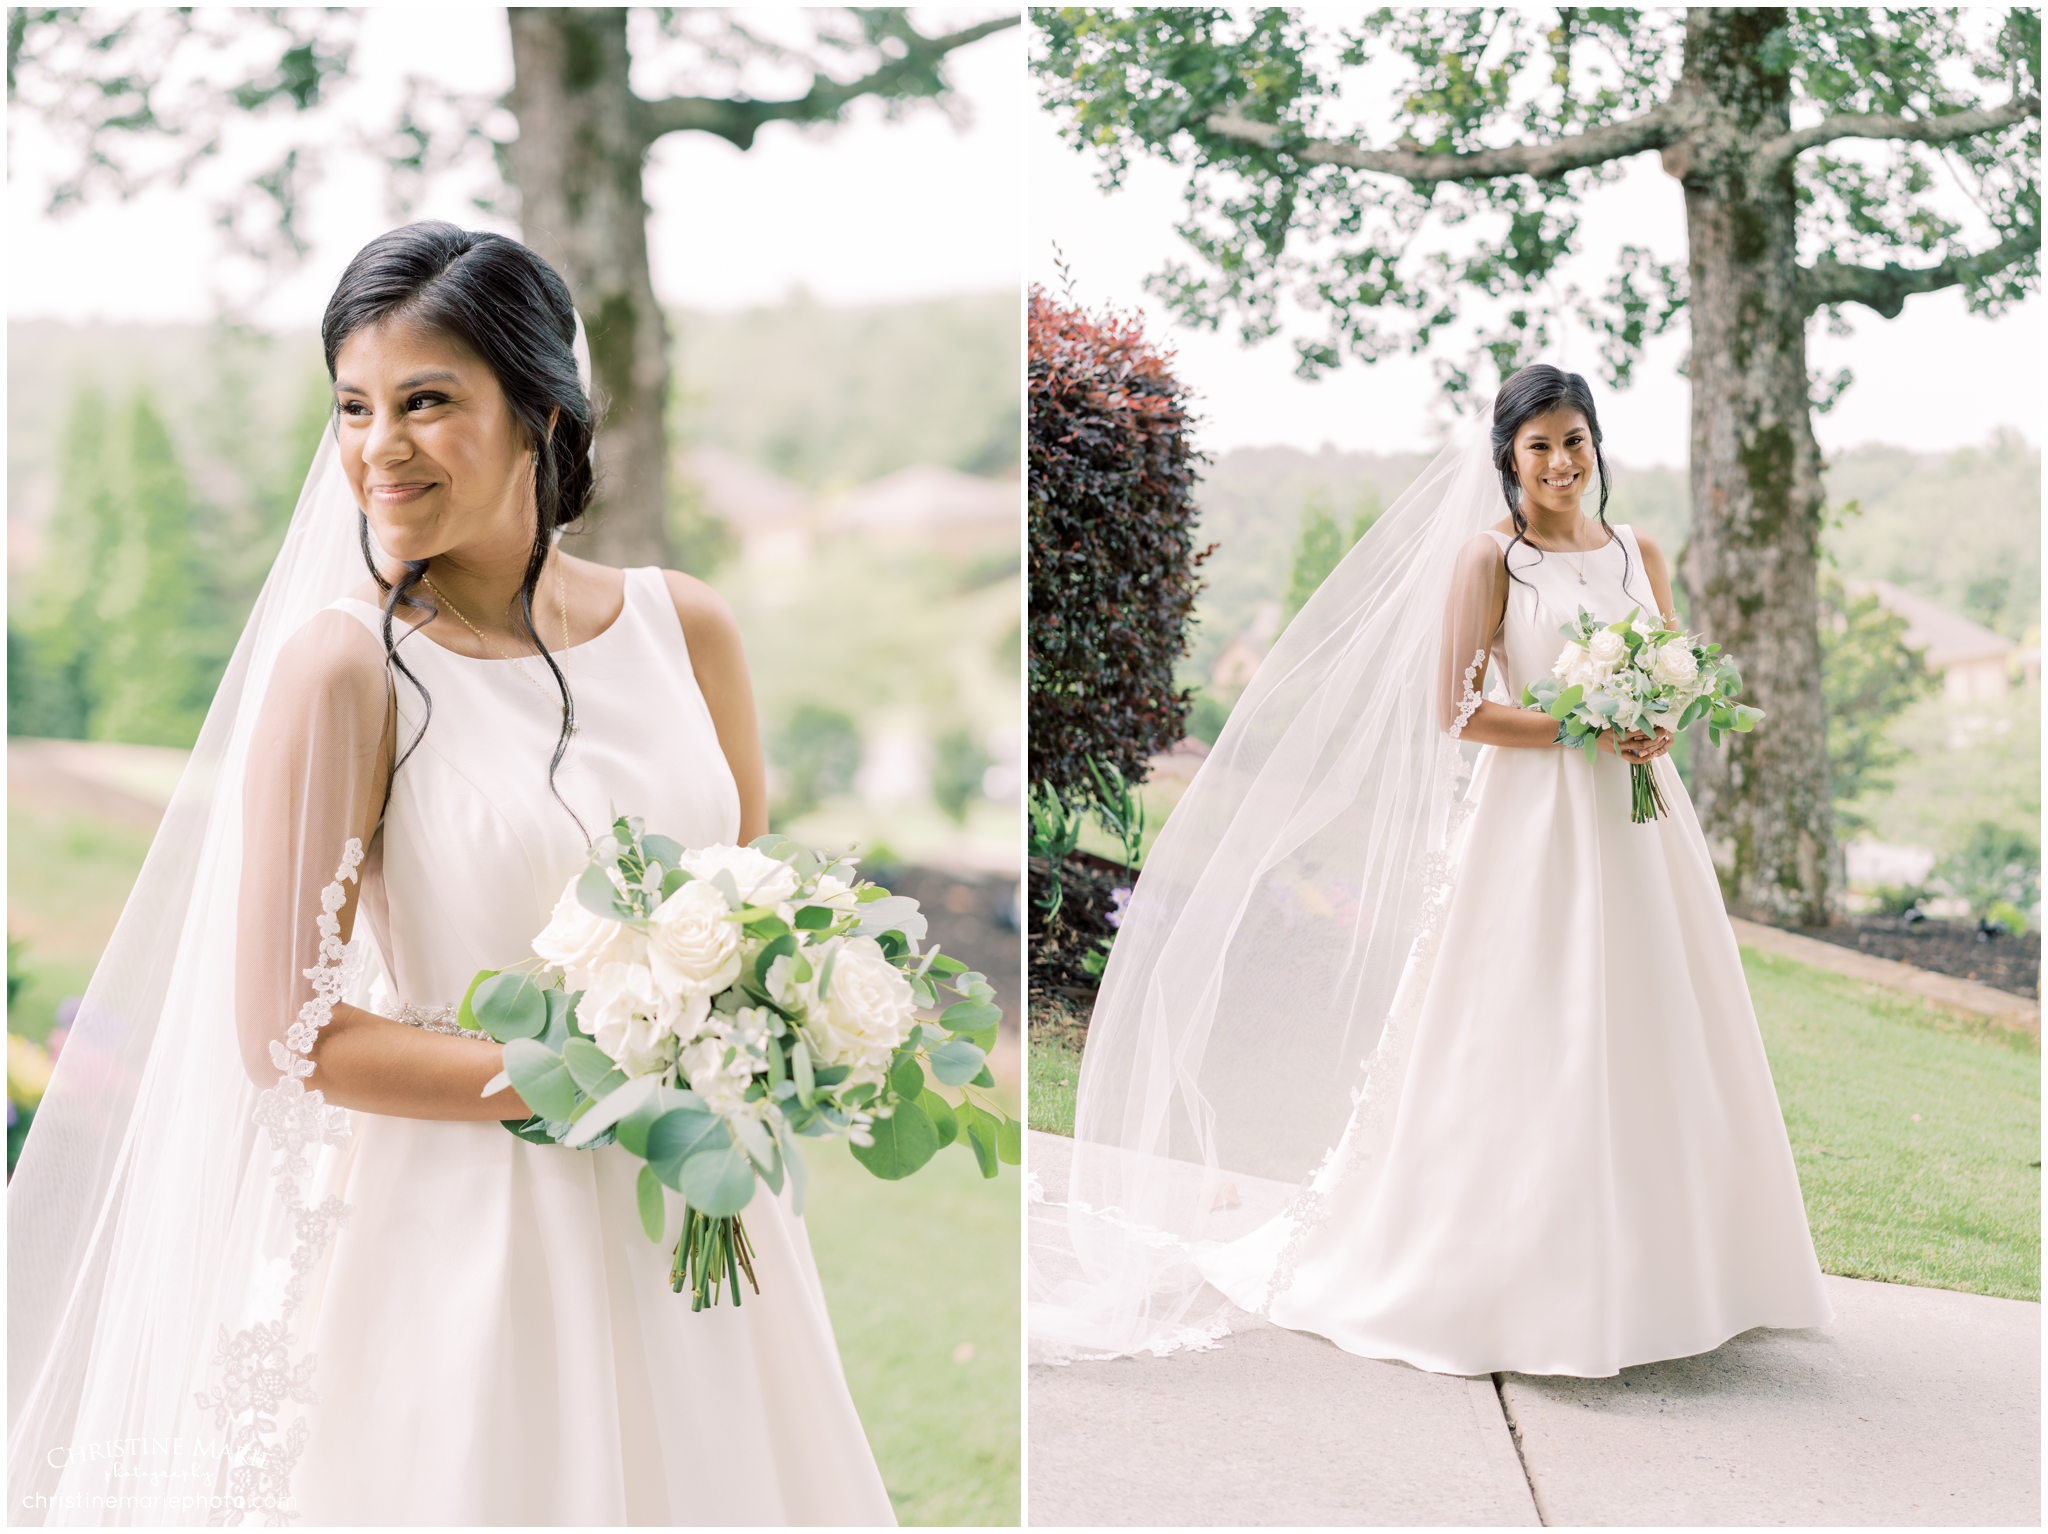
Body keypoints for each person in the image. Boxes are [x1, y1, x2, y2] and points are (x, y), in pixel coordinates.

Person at [9, 223, 895, 1526]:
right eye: (356, 407)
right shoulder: (350, 667)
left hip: (698, 1205)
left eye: (427, 400)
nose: (382, 446)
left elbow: (742, 911)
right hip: (474, 1229)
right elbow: (285, 1034)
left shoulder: (686, 624)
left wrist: (769, 1031)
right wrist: (603, 1075)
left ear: (540, 409)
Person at [1030, 364, 1831, 1378]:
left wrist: (1656, 723)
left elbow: (1671, 675)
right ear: (1507, 458)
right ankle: (1515, 1278)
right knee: (1534, 1024)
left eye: (1573, 439)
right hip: (1534, 822)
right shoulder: (1490, 562)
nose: (1558, 461)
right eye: (1536, 445)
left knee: (1658, 1015)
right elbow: (1454, 711)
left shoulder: (1639, 551)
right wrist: (1584, 723)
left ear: (1596, 444)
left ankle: (1686, 1275)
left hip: (1641, 823)